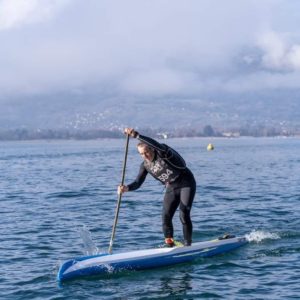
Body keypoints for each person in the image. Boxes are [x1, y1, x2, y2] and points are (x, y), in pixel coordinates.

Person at [118, 128, 196, 247]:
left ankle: (187, 245)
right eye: (141, 154)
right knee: (165, 217)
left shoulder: (163, 152)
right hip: (171, 187)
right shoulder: (145, 165)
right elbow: (138, 182)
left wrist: (136, 135)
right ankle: (170, 245)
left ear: (151, 149)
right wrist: (126, 188)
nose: (145, 156)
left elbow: (155, 143)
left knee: (183, 214)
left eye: (146, 152)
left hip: (186, 182)